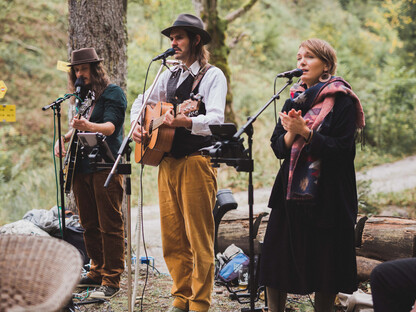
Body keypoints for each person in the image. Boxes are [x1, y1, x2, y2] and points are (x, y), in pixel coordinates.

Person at [259, 38, 365, 311]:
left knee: (325, 267)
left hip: (328, 195)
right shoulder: (293, 99)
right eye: (298, 58)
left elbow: (342, 150)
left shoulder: (342, 101)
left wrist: (306, 133)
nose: (301, 63)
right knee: (276, 259)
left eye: (309, 57)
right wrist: (293, 130)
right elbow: (278, 148)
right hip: (290, 193)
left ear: (326, 65)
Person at [130, 13, 227, 312]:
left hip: (197, 161)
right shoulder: (168, 73)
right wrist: (137, 123)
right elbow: (140, 101)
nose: (173, 42)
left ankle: (199, 302)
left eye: (179, 37)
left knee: (198, 237)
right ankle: (180, 296)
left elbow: (215, 120)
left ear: (196, 40)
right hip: (166, 162)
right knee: (172, 236)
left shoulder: (212, 75)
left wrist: (186, 121)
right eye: (171, 38)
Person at [54, 47, 127, 299]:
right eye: (76, 69)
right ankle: (96, 271)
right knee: (89, 224)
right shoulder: (80, 98)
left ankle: (112, 278)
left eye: (84, 68)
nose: (79, 73)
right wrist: (63, 139)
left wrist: (88, 125)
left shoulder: (112, 93)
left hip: (105, 166)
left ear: (95, 69)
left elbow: (110, 127)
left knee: (110, 223)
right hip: (80, 168)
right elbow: (77, 129)